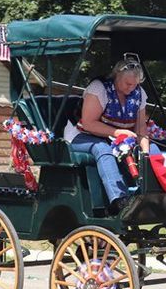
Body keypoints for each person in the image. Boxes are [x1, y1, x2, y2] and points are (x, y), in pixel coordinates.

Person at [64, 54, 158, 215]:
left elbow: (141, 129)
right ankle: (119, 199)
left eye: (135, 85)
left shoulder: (139, 93)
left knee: (152, 149)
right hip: (82, 135)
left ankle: (154, 194)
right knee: (102, 148)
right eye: (127, 83)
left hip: (117, 138)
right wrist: (118, 132)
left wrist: (146, 154)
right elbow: (88, 123)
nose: (131, 88)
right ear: (117, 75)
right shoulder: (99, 88)